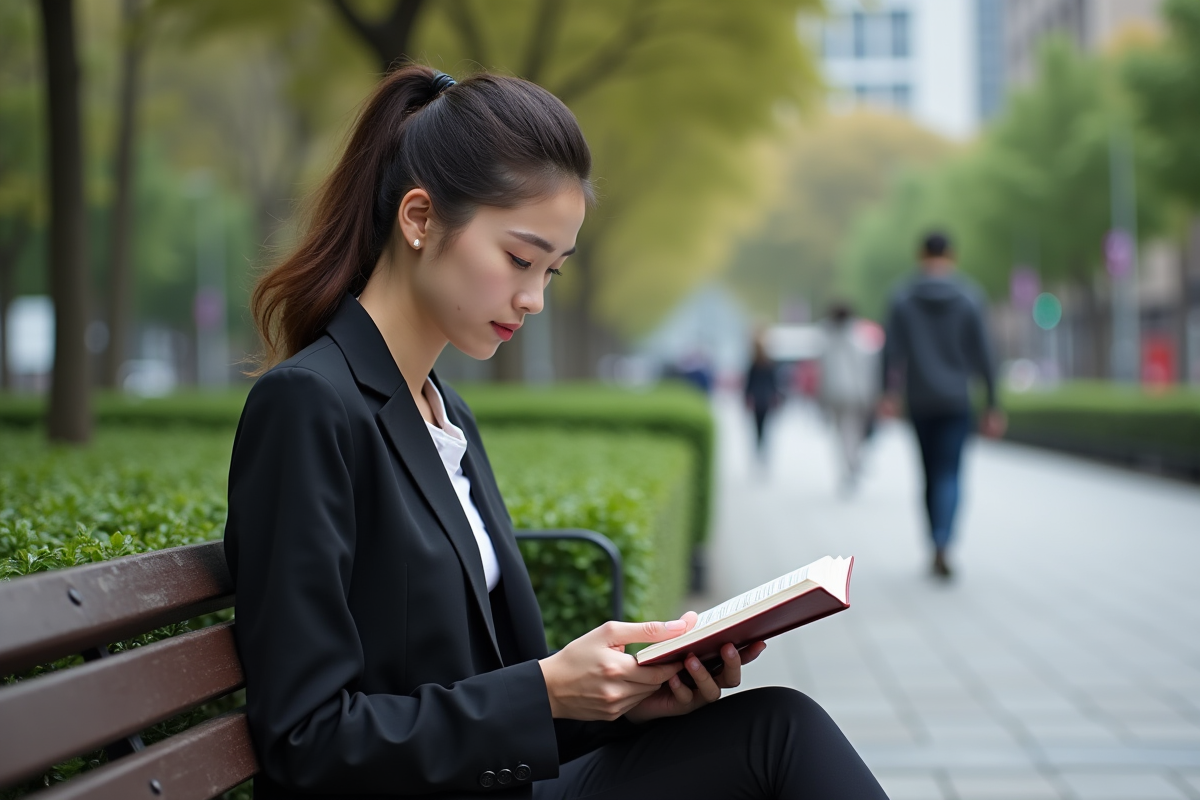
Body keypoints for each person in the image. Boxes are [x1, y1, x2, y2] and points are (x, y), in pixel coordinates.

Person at [224, 65, 888, 799]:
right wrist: (544, 692)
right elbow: (306, 739)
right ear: (418, 219)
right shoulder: (309, 406)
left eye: (552, 271)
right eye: (519, 259)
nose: (534, 298)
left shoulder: (444, 413)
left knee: (779, 728)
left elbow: (498, 697)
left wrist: (624, 703)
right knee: (783, 738)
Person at [879, 232, 1006, 579]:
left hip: (919, 399)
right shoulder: (969, 296)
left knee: (928, 474)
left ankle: (934, 541)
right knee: (950, 472)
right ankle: (944, 541)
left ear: (920, 256)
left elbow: (890, 352)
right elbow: (985, 352)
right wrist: (993, 403)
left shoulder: (903, 297)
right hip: (956, 400)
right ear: (952, 256)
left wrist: (887, 393)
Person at [817, 303, 878, 491]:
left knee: (842, 433)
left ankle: (849, 465)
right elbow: (864, 368)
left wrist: (822, 398)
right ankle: (852, 463)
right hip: (854, 393)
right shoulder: (857, 337)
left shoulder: (825, 337)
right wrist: (869, 395)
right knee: (853, 432)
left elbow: (822, 371)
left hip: (834, 393)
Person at [743, 331, 780, 460]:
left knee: (759, 426)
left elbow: (771, 383)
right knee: (761, 426)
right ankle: (761, 449)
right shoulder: (760, 365)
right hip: (763, 399)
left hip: (761, 399)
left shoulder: (759, 365)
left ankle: (760, 448)